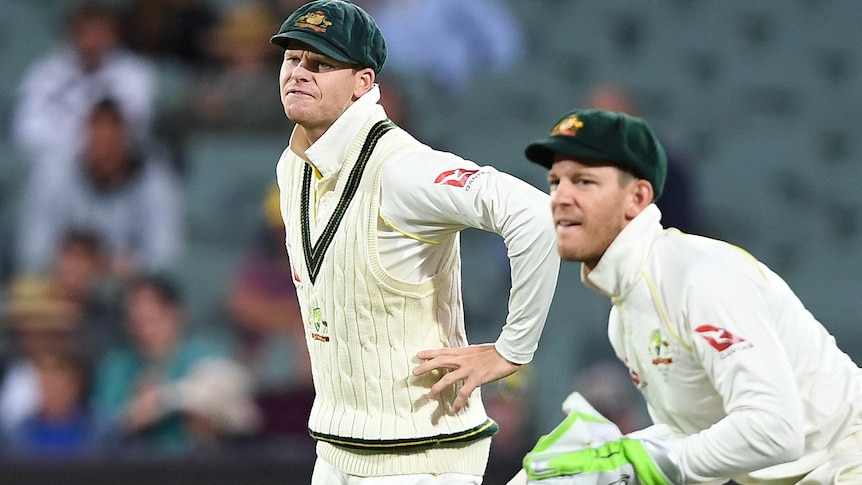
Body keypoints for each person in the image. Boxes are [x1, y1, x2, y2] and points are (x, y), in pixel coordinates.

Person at [269, 1, 560, 483]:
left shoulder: (403, 169)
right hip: (337, 450)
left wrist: (512, 350)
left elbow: (535, 216)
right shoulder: (294, 164)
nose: (299, 73)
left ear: (363, 83)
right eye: (291, 59)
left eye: (319, 64)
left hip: (419, 457)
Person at [513, 109, 862, 484]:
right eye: (554, 181)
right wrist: (602, 458)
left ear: (637, 197)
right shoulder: (624, 314)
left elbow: (775, 429)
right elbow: (695, 442)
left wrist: (633, 460)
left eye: (583, 181)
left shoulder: (700, 277)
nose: (560, 198)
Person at [14, 98, 184, 278]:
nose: (105, 138)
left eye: (114, 128)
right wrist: (66, 267)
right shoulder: (55, 174)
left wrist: (130, 267)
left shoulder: (156, 183)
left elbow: (166, 255)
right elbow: (32, 248)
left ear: (129, 136)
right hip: (60, 284)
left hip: (125, 289)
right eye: (97, 127)